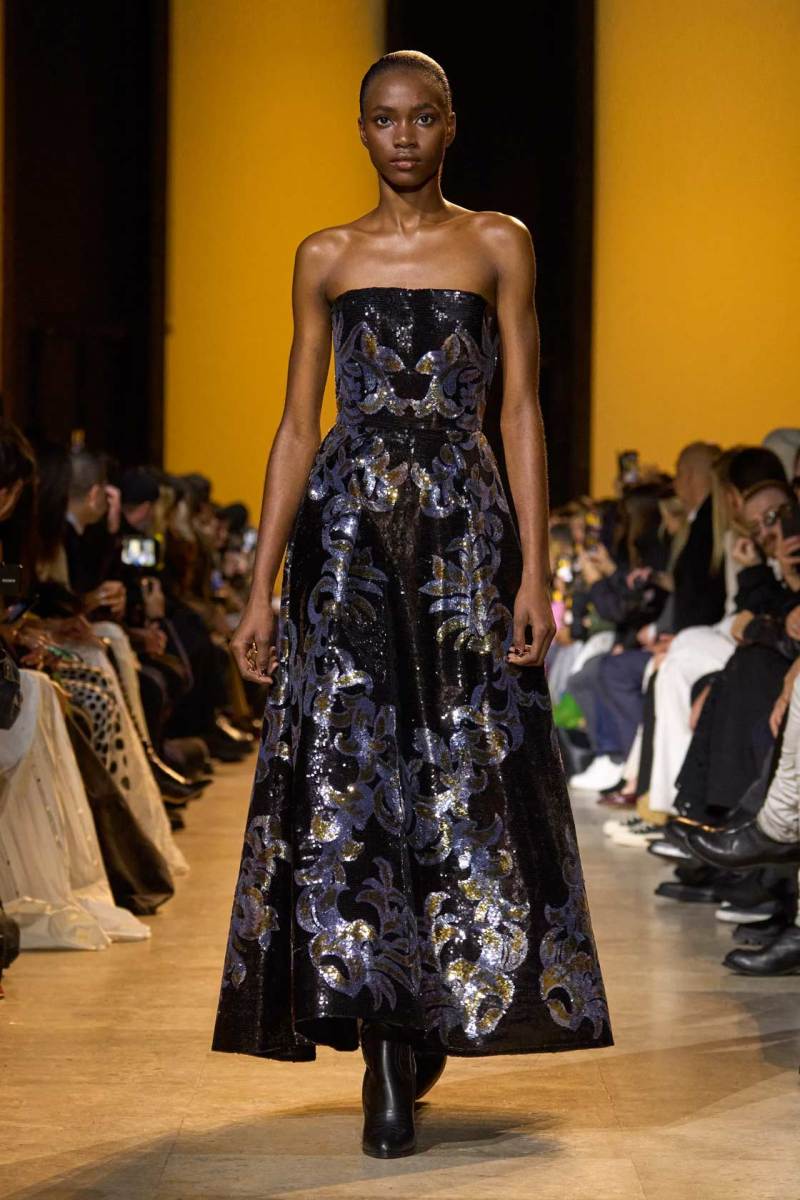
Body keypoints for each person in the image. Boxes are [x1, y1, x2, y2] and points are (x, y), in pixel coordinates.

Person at [210, 49, 613, 1159]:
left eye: (420, 117)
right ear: (361, 130)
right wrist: (258, 586)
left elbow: (520, 410)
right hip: (343, 544)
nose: (401, 136)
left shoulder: (498, 242)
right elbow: (298, 425)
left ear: (449, 125)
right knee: (350, 774)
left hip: (463, 540)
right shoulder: (324, 256)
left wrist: (535, 572)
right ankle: (385, 1048)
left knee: (461, 769)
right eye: (383, 119)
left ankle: (432, 1009)